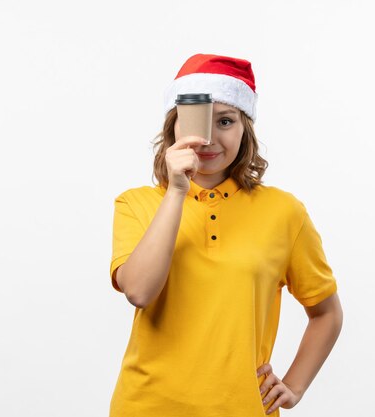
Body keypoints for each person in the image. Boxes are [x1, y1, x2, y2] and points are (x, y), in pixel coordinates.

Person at [109, 53, 343, 417]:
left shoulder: (284, 213)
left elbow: (326, 312)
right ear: (173, 126)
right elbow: (139, 291)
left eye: (225, 121)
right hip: (146, 407)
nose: (208, 139)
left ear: (243, 129)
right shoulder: (136, 203)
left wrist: (294, 386)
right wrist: (175, 192)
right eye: (196, 121)